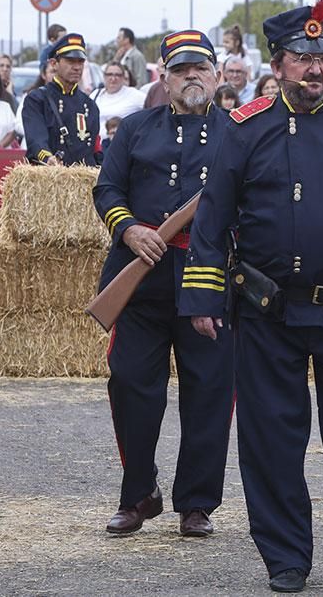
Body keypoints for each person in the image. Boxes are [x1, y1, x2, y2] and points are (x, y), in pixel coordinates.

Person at [181, 0, 323, 593]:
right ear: (278, 64)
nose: (315, 69)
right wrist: (203, 296)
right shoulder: (247, 126)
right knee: (274, 437)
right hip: (268, 310)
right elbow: (212, 218)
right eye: (302, 58)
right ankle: (286, 557)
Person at [93, 29, 235, 541]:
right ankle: (138, 495)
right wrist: (129, 229)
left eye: (200, 67)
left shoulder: (239, 132)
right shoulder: (134, 129)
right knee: (131, 385)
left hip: (210, 280)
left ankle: (196, 504)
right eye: (180, 69)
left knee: (210, 393)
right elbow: (106, 188)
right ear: (164, 78)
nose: (191, 76)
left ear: (217, 75)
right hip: (141, 280)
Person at [21, 33, 100, 166]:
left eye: (80, 61)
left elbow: (94, 148)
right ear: (54, 64)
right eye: (70, 61)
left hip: (82, 180)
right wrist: (48, 158)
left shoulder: (89, 104)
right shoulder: (37, 99)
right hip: (50, 177)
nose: (76, 67)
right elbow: (36, 140)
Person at [91, 62, 145, 138]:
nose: (113, 79)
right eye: (109, 74)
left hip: (120, 145)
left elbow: (151, 108)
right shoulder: (95, 94)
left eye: (117, 75)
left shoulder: (134, 94)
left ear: (123, 77)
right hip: (97, 146)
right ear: (104, 76)